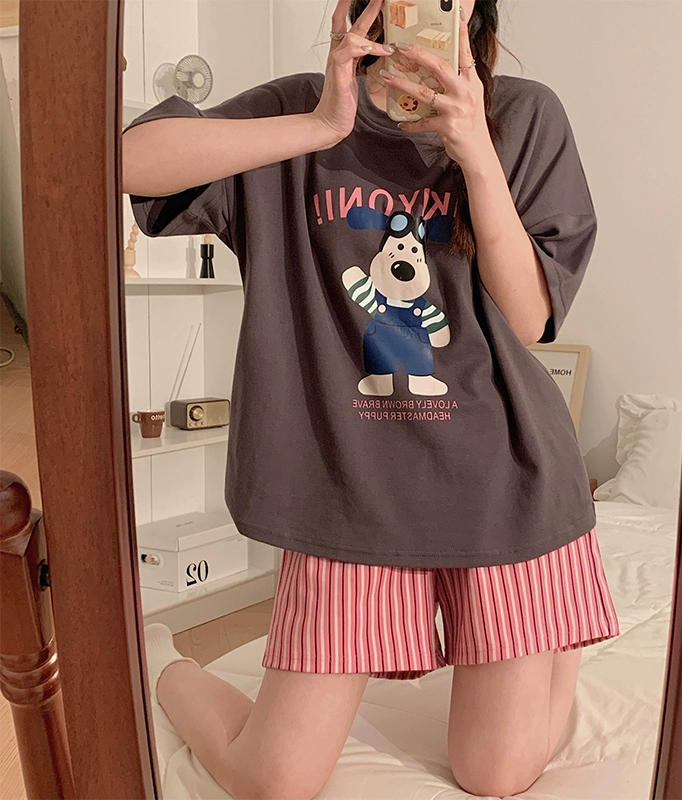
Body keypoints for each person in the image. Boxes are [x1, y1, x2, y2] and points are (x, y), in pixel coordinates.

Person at [123, 0, 620, 797]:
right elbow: (126, 163)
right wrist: (322, 125)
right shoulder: (296, 108)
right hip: (347, 488)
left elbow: (530, 319)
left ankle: (549, 633)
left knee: (496, 773)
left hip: (506, 482)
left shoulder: (524, 114)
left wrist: (475, 153)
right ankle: (159, 662)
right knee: (273, 782)